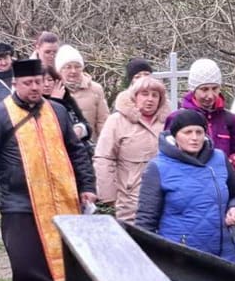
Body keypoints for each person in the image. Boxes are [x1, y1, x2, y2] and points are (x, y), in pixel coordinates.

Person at [0, 59, 96, 281]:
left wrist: (86, 185)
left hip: (59, 198)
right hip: (19, 201)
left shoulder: (58, 111)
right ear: (15, 84)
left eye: (38, 82)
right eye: (27, 83)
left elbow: (76, 151)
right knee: (26, 256)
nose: (34, 88)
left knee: (55, 253)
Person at [136, 109, 235, 281]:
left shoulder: (219, 160)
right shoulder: (159, 168)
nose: (194, 138)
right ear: (175, 135)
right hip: (183, 261)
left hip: (221, 257)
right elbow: (146, 221)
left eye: (199, 132)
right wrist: (146, 264)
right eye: (188, 132)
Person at [93, 76, 170, 223]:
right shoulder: (117, 120)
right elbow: (104, 157)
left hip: (165, 195)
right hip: (130, 197)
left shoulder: (168, 122)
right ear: (135, 96)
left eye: (155, 95)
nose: (150, 99)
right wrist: (108, 196)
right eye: (145, 94)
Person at [165, 59, 235, 182]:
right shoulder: (176, 119)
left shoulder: (230, 120)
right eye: (204, 89)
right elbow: (167, 157)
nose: (210, 95)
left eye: (215, 88)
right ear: (193, 90)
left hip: (222, 185)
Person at [55, 45, 109, 139]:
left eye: (77, 66)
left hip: (89, 145)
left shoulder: (95, 89)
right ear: (59, 70)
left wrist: (104, 143)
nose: (73, 71)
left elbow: (103, 121)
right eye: (68, 67)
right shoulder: (53, 90)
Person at [42, 65, 92, 144]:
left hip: (77, 147)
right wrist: (55, 100)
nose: (46, 84)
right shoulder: (34, 102)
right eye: (42, 81)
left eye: (50, 80)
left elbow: (86, 125)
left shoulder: (67, 98)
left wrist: (80, 129)